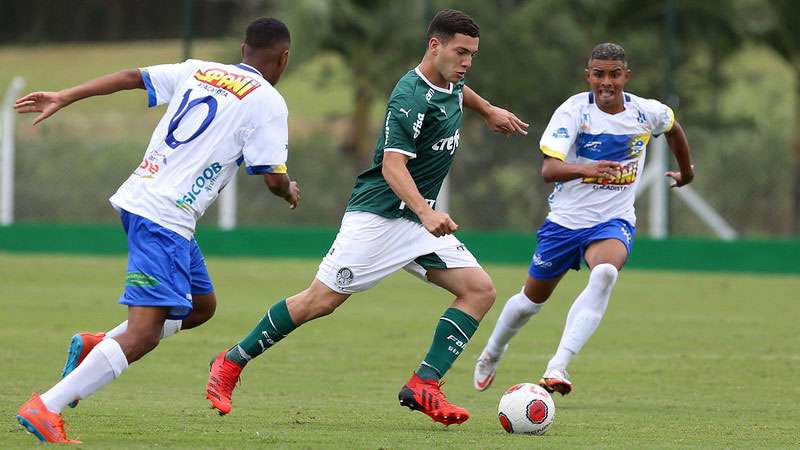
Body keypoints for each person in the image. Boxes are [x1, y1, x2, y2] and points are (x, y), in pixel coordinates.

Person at [205, 9, 528, 426]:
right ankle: (230, 362)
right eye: (461, 52)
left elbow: (461, 89)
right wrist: (427, 212)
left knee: (479, 290)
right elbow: (393, 167)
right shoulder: (410, 96)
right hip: (378, 217)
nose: (467, 62)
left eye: (472, 55)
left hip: (414, 221)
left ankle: (424, 384)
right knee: (319, 302)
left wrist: (488, 110)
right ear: (435, 46)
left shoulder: (451, 79)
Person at [13, 18, 300, 444]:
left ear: (243, 48)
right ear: (284, 57)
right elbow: (273, 178)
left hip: (152, 204)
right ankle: (46, 407)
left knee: (200, 305)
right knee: (144, 332)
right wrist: (288, 189)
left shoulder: (199, 68)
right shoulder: (269, 102)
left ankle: (97, 346)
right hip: (163, 215)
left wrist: (66, 95)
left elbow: (133, 77)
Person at [473, 43, 694, 396]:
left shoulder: (646, 112)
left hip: (613, 220)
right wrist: (586, 169)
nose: (606, 82)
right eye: (599, 74)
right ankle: (492, 352)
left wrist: (687, 172)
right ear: (588, 75)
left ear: (626, 76)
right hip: (565, 223)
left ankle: (558, 365)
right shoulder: (574, 112)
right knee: (530, 303)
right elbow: (549, 169)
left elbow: (673, 128)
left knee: (605, 273)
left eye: (614, 74)